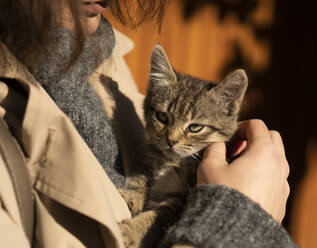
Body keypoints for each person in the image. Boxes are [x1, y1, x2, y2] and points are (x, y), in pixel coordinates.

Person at [0, 0, 297, 247]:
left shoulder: (109, 67)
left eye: (193, 128)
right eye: (165, 120)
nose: (172, 138)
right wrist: (237, 219)